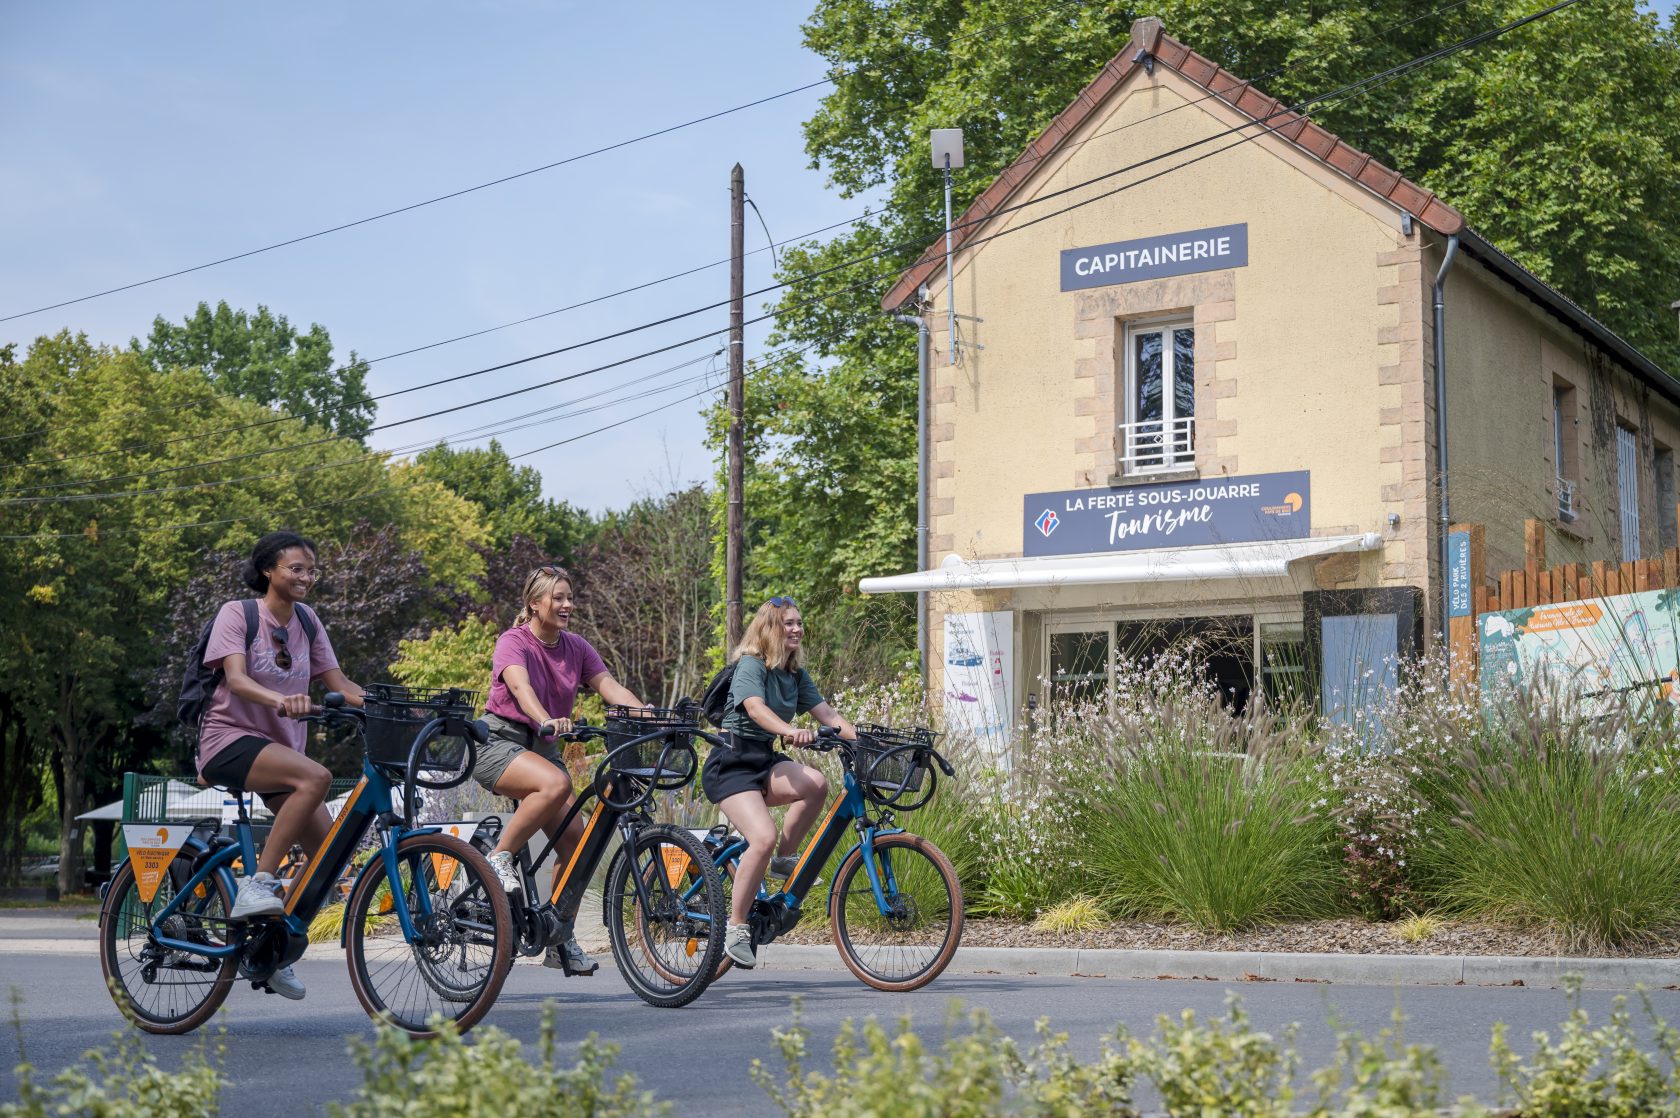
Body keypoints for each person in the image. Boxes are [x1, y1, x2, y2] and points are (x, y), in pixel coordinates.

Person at [197, 530, 364, 1000]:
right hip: (228, 741)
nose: (306, 577)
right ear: (268, 570)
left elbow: (338, 681)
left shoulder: (308, 621)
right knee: (317, 776)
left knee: (330, 858)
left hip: (278, 753)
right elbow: (236, 679)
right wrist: (282, 699)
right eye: (296, 568)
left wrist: (390, 705)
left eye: (311, 569)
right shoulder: (239, 613)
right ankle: (259, 883)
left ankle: (274, 950)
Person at [471, 564, 647, 975]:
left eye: (570, 597)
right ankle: (499, 859)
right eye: (558, 598)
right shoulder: (513, 642)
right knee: (555, 782)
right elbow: (520, 687)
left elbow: (609, 688)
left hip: (543, 752)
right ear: (534, 603)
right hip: (499, 744)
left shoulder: (577, 647)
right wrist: (546, 717)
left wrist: (650, 713)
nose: (567, 605)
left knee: (576, 840)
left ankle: (558, 936)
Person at [702, 597, 856, 969]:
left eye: (799, 623)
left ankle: (784, 859)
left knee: (815, 784)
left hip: (763, 760)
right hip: (731, 763)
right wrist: (789, 730)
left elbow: (828, 715)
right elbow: (754, 707)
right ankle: (736, 927)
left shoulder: (795, 675)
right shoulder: (751, 665)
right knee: (762, 837)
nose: (797, 629)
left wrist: (863, 743)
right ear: (770, 628)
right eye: (788, 623)